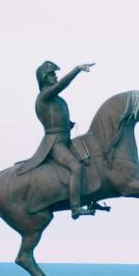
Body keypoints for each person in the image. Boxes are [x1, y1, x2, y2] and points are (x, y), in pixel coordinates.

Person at [14, 60, 95, 218]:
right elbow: (61, 85)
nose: (56, 77)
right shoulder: (44, 96)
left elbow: (56, 117)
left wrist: (68, 124)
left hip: (66, 139)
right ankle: (75, 208)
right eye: (52, 74)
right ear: (44, 78)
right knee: (76, 167)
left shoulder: (57, 100)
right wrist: (77, 69)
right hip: (55, 143)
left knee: (89, 160)